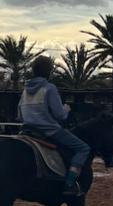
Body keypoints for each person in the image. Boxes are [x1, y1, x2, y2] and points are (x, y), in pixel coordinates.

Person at [17, 55, 91, 196]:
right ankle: (70, 183)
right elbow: (60, 116)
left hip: (27, 131)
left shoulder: (25, 90)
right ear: (48, 71)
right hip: (48, 131)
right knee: (83, 148)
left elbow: (19, 115)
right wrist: (66, 109)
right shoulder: (49, 88)